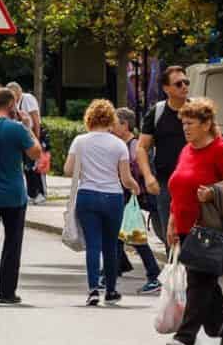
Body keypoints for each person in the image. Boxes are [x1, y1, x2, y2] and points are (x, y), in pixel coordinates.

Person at [166, 97, 223, 345]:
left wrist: (213, 193)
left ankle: (186, 335)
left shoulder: (222, 150)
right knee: (207, 287)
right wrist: (171, 220)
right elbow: (178, 186)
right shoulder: (186, 150)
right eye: (183, 124)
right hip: (185, 225)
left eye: (190, 123)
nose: (185, 129)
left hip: (209, 228)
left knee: (199, 282)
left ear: (206, 123)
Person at [0, 87, 42, 306]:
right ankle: (6, 292)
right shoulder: (17, 129)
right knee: (12, 243)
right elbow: (36, 153)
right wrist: (27, 127)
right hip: (13, 196)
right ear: (12, 105)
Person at [65, 99, 137, 306]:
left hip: (87, 196)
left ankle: (93, 289)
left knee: (93, 245)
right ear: (111, 120)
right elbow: (125, 178)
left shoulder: (80, 141)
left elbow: (69, 170)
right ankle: (112, 290)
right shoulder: (118, 144)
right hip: (113, 197)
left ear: (89, 118)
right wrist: (135, 187)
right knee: (111, 245)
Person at [111, 107, 163, 295]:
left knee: (135, 236)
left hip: (131, 196)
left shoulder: (133, 146)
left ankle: (153, 274)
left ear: (125, 125)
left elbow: (137, 171)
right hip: (128, 195)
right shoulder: (125, 144)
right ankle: (114, 269)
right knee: (120, 235)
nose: (111, 127)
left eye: (114, 123)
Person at [138, 66, 191, 247]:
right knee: (169, 237)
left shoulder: (197, 111)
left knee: (192, 237)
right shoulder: (157, 112)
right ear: (166, 89)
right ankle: (174, 271)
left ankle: (191, 273)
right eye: (178, 84)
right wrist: (148, 176)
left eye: (186, 82)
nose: (184, 86)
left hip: (193, 184)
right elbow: (142, 147)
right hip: (165, 183)